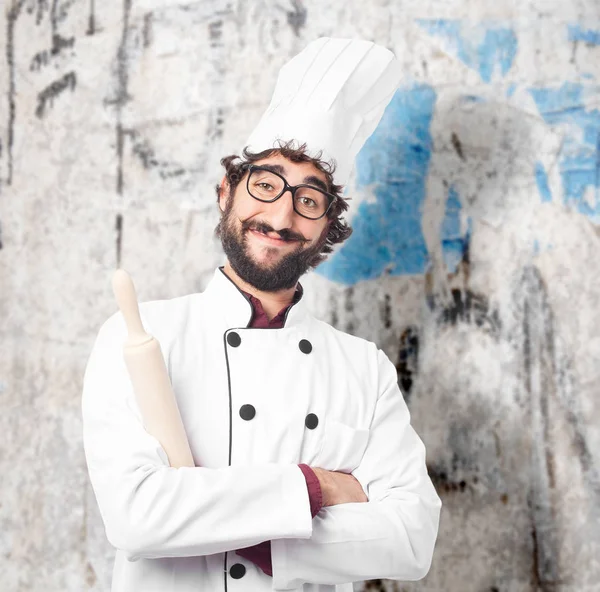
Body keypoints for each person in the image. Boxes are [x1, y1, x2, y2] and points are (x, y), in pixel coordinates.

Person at [82, 38, 442, 592]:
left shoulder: (363, 369)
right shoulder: (138, 335)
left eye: (309, 198)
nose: (280, 214)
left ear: (329, 228)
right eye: (265, 183)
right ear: (227, 190)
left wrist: (203, 514)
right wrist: (315, 488)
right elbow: (136, 517)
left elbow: (411, 540)